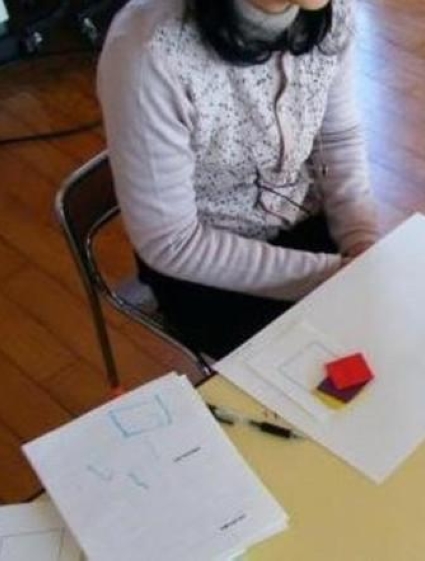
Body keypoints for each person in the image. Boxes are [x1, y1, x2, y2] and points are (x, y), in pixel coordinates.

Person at [97, 0, 379, 357]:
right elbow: (172, 243)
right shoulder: (149, 51)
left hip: (305, 229)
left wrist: (362, 243)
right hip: (207, 268)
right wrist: (329, 276)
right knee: (311, 381)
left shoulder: (331, 12)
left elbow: (337, 139)